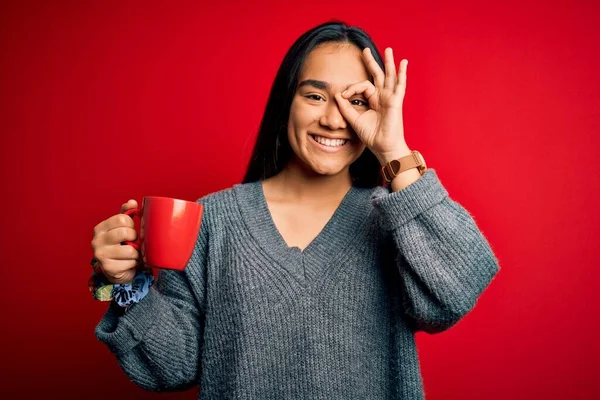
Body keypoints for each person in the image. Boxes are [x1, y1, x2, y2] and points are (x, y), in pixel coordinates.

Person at [90, 20, 500, 399]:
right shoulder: (212, 221)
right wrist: (125, 283)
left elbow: (454, 295)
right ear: (288, 101)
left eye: (356, 101)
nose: (334, 119)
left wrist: (393, 149)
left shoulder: (396, 220)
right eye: (315, 95)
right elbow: (171, 367)